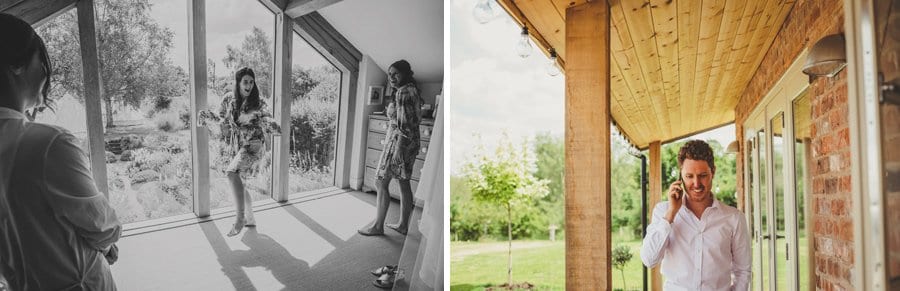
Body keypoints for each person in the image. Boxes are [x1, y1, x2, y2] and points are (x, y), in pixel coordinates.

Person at [0, 13, 122, 290]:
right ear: (17, 65)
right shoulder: (48, 143)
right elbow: (101, 225)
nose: (46, 72)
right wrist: (106, 244)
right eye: (41, 61)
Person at [640, 140, 751, 291]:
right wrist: (671, 214)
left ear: (713, 171)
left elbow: (743, 271)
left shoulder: (734, 218)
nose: (696, 183)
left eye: (703, 175)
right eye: (689, 176)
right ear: (681, 176)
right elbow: (649, 259)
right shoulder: (663, 212)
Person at [199, 67, 280, 237]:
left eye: (251, 82)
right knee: (239, 182)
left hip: (254, 145)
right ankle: (250, 219)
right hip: (239, 144)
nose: (249, 85)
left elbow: (266, 116)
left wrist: (272, 124)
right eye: (245, 82)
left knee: (232, 172)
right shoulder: (229, 98)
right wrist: (204, 116)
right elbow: (221, 117)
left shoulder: (259, 101)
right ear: (238, 82)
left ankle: (240, 218)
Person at [358, 60, 423, 236]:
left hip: (399, 143)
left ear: (405, 73)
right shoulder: (412, 90)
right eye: (389, 74)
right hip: (410, 143)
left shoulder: (403, 92)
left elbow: (404, 126)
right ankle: (403, 225)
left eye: (395, 73)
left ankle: (378, 226)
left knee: (380, 181)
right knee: (403, 182)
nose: (391, 77)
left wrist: (397, 152)